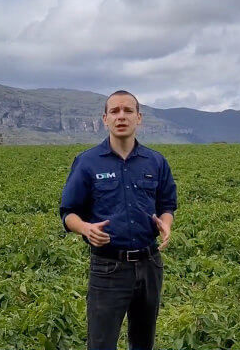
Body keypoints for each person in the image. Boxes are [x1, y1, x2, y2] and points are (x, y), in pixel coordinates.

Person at [59, 90, 177, 350]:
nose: (121, 116)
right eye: (114, 111)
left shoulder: (156, 162)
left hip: (149, 264)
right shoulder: (87, 162)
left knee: (143, 342)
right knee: (101, 343)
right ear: (105, 119)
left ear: (139, 118)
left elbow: (167, 205)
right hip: (108, 267)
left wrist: (166, 223)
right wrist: (86, 228)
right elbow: (68, 213)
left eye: (127, 111)